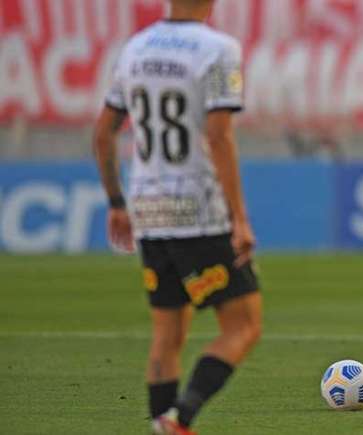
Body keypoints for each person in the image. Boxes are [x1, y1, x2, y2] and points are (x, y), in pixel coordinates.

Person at [92, 1, 261, 433]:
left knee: (167, 336)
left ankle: (161, 425)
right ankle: (180, 419)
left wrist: (116, 201)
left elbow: (104, 132)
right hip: (198, 209)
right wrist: (239, 218)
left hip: (148, 208)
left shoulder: (135, 48)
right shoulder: (218, 48)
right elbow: (219, 135)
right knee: (242, 326)